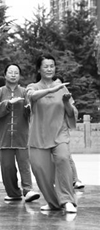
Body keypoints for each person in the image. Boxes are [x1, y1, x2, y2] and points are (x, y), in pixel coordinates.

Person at [26, 55, 78, 213]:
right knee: (40, 170)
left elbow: (71, 113)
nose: (49, 69)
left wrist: (66, 103)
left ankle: (67, 200)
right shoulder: (33, 86)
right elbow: (31, 96)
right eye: (46, 66)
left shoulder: (62, 87)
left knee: (63, 159)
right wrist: (51, 90)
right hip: (38, 135)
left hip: (59, 134)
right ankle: (53, 202)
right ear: (39, 69)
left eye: (52, 66)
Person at [0, 64, 39, 203]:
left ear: (19, 76)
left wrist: (29, 107)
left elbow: (32, 111)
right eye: (10, 72)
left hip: (22, 136)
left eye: (16, 72)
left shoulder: (24, 92)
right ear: (5, 75)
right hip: (4, 137)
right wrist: (8, 103)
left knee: (24, 165)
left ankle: (28, 190)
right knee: (7, 167)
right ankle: (13, 193)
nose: (13, 75)